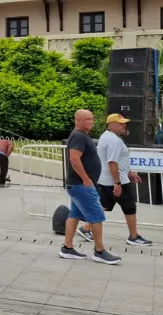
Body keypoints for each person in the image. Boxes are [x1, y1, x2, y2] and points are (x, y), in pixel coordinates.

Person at [79, 114, 153, 247]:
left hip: (106, 179)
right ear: (111, 125)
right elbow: (112, 162)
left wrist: (129, 172)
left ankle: (85, 228)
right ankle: (133, 236)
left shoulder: (106, 136)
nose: (124, 125)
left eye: (124, 123)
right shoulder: (114, 140)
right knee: (129, 207)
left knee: (104, 204)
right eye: (121, 123)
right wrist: (117, 183)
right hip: (117, 180)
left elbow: (116, 160)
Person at [58, 109, 121, 265]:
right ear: (78, 121)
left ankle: (67, 247)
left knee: (74, 214)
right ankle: (99, 251)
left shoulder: (81, 135)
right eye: (87, 119)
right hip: (81, 185)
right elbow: (74, 159)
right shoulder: (79, 136)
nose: (91, 121)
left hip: (77, 185)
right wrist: (86, 179)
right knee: (96, 215)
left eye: (92, 119)